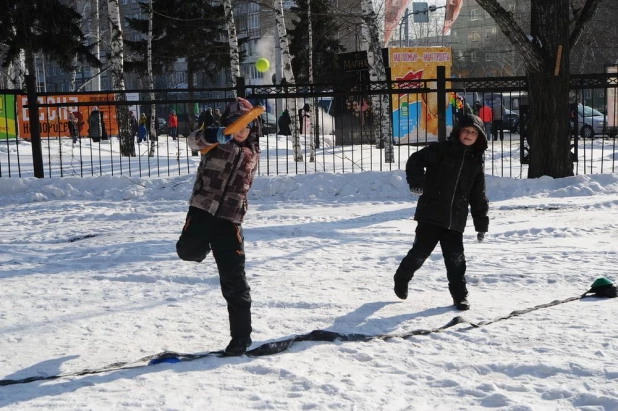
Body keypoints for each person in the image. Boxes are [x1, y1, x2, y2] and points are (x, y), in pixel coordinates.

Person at [176, 97, 261, 356]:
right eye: (236, 126)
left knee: (235, 281)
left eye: (245, 127)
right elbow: (193, 141)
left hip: (230, 221)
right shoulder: (214, 143)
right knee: (187, 252)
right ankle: (205, 246)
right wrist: (215, 134)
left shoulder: (252, 153)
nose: (241, 131)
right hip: (202, 211)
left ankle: (241, 338)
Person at [393, 114, 489, 311]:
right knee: (420, 253)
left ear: (479, 138)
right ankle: (402, 276)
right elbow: (415, 160)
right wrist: (418, 183)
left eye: (474, 133)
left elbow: (478, 196)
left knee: (456, 260)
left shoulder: (475, 163)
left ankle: (460, 296)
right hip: (431, 213)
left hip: (456, 219)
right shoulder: (441, 150)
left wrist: (481, 224)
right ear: (458, 131)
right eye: (466, 131)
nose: (469, 135)